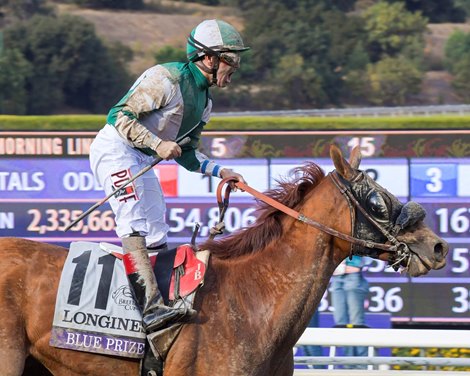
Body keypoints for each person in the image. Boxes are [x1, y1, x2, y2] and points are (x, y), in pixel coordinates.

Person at [89, 19, 250, 339]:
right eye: (230, 59)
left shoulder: (205, 103)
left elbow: (188, 153)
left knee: (158, 225)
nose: (234, 67)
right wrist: (158, 144)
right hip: (116, 149)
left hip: (143, 158)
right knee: (133, 217)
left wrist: (220, 171)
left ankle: (162, 298)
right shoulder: (166, 78)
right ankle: (147, 307)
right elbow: (118, 116)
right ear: (208, 58)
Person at [329, 255, 369, 369]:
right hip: (336, 278)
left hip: (353, 276)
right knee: (341, 324)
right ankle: (348, 366)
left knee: (357, 324)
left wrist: (358, 266)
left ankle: (362, 366)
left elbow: (360, 263)